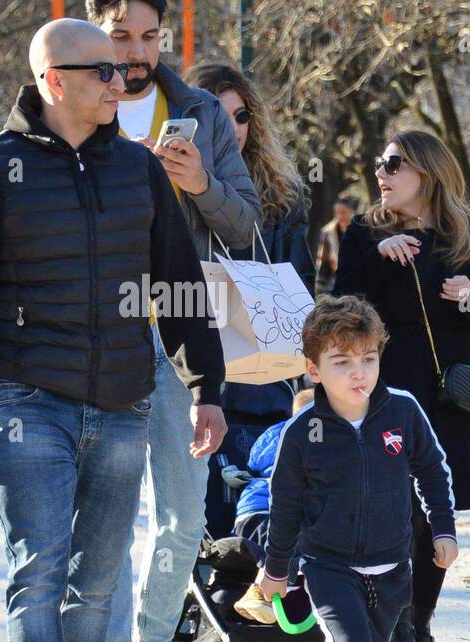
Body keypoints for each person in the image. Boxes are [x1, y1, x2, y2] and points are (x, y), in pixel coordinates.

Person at [0, 19, 225, 642]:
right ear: (54, 79)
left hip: (122, 401)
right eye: (103, 72)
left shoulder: (139, 173)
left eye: (123, 71)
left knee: (96, 580)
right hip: (27, 398)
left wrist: (206, 386)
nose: (122, 83)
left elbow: (178, 281)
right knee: (37, 571)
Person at [87, 0, 256, 642]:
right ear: (97, 30)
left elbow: (248, 224)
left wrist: (200, 186)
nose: (136, 51)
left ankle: (152, 641)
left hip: (182, 336)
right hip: (95, 339)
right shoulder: (78, 99)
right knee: (108, 522)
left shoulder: (194, 112)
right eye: (121, 35)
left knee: (185, 515)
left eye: (150, 36)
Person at [254, 296, 458, 642]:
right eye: (342, 363)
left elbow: (432, 471)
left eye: (368, 358)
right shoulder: (303, 433)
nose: (358, 373)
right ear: (313, 370)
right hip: (328, 567)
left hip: (393, 569)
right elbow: (285, 506)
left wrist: (443, 529)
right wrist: (276, 570)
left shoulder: (403, 411)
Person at [332, 129, 470, 642]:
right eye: (378, 164)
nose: (380, 174)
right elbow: (337, 305)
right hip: (386, 389)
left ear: (427, 173)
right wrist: (377, 261)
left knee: (437, 516)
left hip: (448, 390)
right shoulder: (365, 232)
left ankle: (422, 625)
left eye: (392, 164)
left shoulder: (469, 230)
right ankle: (402, 635)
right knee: (396, 512)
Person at [185, 61, 315, 542]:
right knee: (192, 518)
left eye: (242, 117)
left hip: (264, 374)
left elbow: (299, 285)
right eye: (220, 116)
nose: (234, 129)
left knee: (260, 503)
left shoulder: (284, 197)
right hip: (195, 366)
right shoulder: (167, 186)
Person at [229, 387, 316, 623]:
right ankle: (258, 592)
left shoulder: (274, 435)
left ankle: (282, 594)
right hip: (263, 514)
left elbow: (255, 458)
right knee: (292, 541)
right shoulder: (301, 439)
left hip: (253, 516)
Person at [317, 195, 358, 296]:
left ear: (351, 211)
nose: (340, 216)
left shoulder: (360, 229)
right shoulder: (328, 231)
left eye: (343, 213)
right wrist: (320, 282)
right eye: (337, 213)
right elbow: (323, 259)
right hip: (335, 278)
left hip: (357, 277)